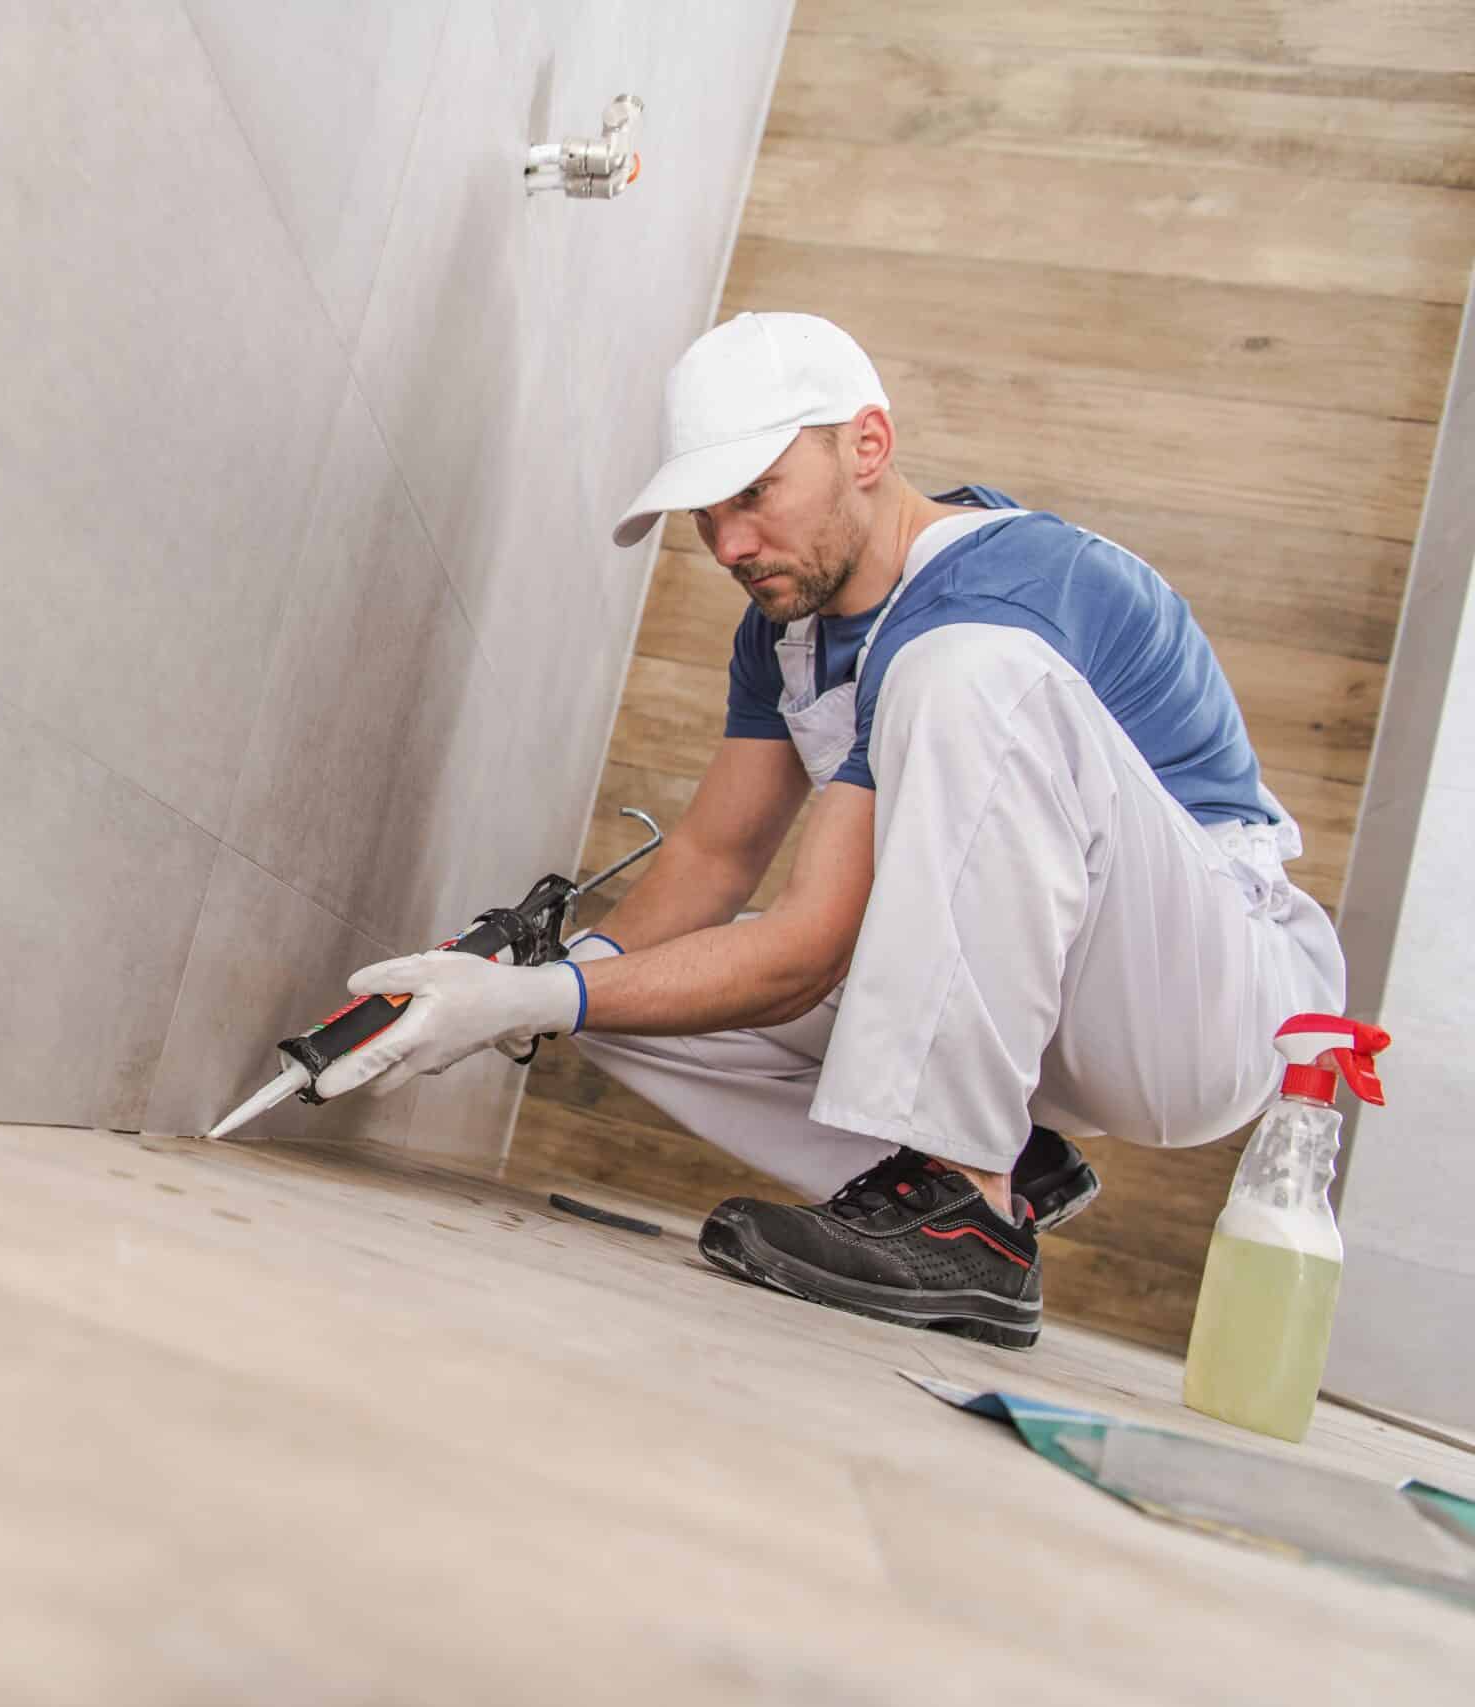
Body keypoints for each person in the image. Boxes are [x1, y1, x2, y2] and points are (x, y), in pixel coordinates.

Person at [315, 311, 1345, 1349]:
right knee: (616, 996)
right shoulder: (784, 633)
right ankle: (1005, 1157)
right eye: (705, 514)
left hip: (1208, 998)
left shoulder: (1009, 584)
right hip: (1048, 1001)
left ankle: (966, 1213)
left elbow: (809, 948)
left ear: (866, 446)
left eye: (754, 495)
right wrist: (515, 995)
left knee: (965, 669)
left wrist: (534, 992)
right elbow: (712, 859)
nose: (728, 545)